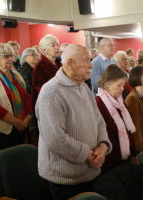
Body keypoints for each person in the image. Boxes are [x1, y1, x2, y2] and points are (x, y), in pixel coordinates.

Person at [35, 44, 111, 200]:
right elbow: (55, 138)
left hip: (90, 172)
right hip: (65, 180)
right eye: (86, 60)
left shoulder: (83, 86)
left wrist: (103, 146)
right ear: (69, 63)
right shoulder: (51, 92)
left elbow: (100, 122)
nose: (91, 65)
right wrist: (89, 155)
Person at [0, 43, 32, 154]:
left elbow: (26, 96)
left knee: (19, 158)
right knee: (3, 163)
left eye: (11, 55)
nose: (10, 59)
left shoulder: (16, 75)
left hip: (21, 126)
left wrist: (27, 118)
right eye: (5, 56)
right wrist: (17, 122)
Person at [95, 64, 135, 171]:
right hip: (110, 159)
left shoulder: (119, 101)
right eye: (119, 85)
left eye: (123, 85)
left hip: (125, 157)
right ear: (107, 84)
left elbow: (127, 130)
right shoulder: (98, 103)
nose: (122, 89)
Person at [32, 34, 61, 107]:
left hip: (62, 100)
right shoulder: (39, 67)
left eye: (57, 45)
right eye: (53, 46)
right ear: (45, 50)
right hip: (49, 103)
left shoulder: (60, 64)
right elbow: (38, 89)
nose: (57, 48)